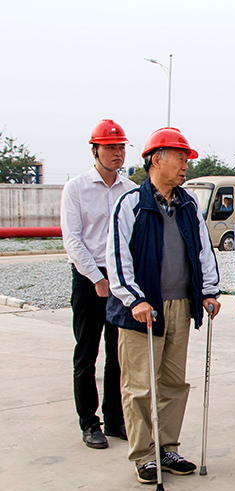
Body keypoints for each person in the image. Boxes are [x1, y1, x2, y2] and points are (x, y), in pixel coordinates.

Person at [106, 127, 221, 485]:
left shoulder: (188, 204)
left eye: (186, 159)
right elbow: (117, 259)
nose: (185, 165)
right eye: (180, 158)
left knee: (173, 382)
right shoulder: (130, 204)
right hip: (143, 310)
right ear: (157, 159)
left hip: (180, 306)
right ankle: (144, 455)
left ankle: (167, 448)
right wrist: (135, 299)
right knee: (140, 386)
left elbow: (203, 251)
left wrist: (209, 291)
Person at [60, 119, 135, 449]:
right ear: (95, 150)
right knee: (86, 352)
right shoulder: (76, 188)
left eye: (121, 147)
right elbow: (73, 240)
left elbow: (131, 237)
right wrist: (97, 278)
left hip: (119, 278)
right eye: (110, 147)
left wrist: (119, 280)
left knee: (118, 354)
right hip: (88, 278)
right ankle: (89, 423)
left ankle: (115, 419)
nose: (118, 153)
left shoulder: (129, 189)